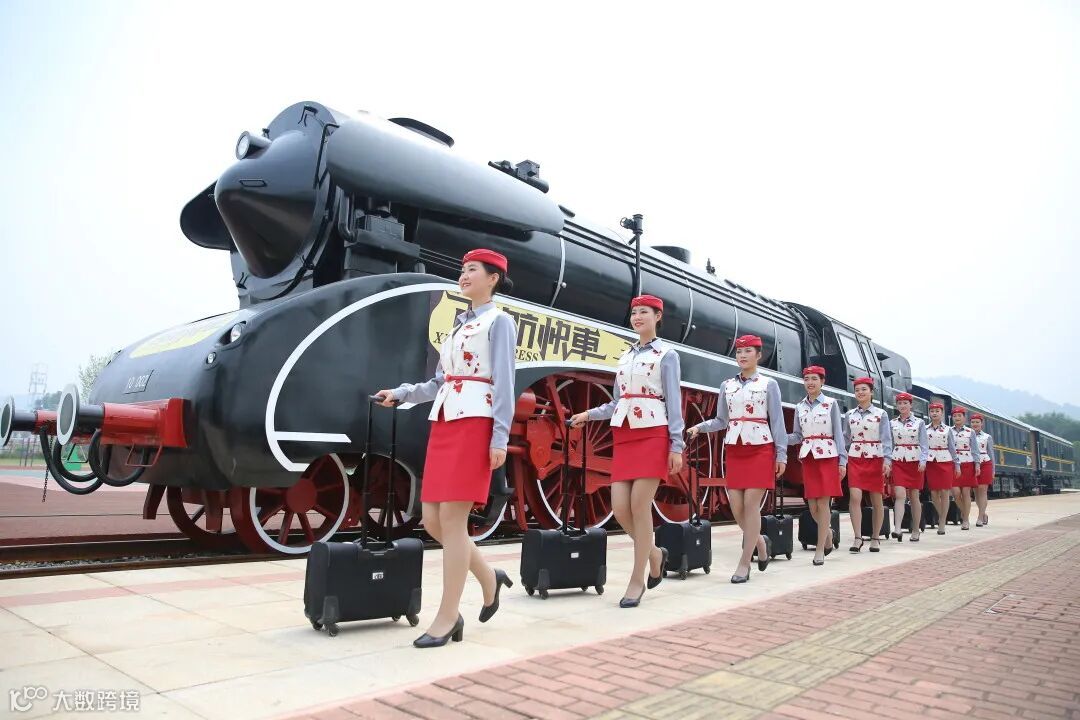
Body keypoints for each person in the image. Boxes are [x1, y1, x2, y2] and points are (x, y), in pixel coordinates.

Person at [375, 249, 516, 648]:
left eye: (472, 269)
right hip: (445, 420)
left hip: (475, 422)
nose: (464, 275)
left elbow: (505, 383)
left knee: (453, 521)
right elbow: (440, 381)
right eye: (463, 269)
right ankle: (489, 578)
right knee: (433, 520)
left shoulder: (499, 322)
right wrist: (402, 393)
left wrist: (500, 437)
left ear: (493, 278)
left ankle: (448, 615)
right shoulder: (458, 325)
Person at [570, 295, 684, 608]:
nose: (637, 317)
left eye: (644, 312)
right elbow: (617, 402)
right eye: (634, 312)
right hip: (625, 433)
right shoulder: (625, 356)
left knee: (639, 505)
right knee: (620, 509)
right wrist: (588, 414)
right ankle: (655, 554)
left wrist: (676, 445)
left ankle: (637, 580)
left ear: (657, 317)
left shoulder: (667, 355)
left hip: (653, 433)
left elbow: (674, 403)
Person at [688, 335, 787, 583]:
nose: (742, 355)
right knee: (736, 508)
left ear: (758, 355)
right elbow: (721, 420)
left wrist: (782, 454)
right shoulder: (727, 385)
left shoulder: (769, 384)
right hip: (735, 449)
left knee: (751, 505)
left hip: (761, 448)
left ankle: (744, 563)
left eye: (748, 351)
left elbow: (777, 422)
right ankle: (761, 542)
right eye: (739, 352)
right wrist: (700, 427)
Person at [788, 366, 847, 565]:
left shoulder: (831, 404)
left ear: (822, 381)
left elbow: (838, 434)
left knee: (823, 504)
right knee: (812, 507)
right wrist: (779, 438)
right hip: (809, 458)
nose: (810, 382)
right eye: (806, 379)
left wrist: (842, 461)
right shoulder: (799, 407)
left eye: (814, 378)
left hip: (828, 457)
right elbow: (797, 435)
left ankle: (820, 549)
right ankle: (828, 533)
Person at [844, 377, 893, 552]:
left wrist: (887, 460)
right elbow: (846, 438)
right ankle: (858, 537)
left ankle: (875, 537)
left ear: (871, 392)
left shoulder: (881, 414)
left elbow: (886, 439)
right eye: (857, 390)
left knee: (876, 498)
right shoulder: (849, 415)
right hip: (855, 458)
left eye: (864, 389)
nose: (860, 393)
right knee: (855, 497)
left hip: (875, 458)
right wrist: (842, 457)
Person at [889, 392, 928, 541]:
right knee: (899, 494)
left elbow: (924, 444)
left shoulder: (919, 422)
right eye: (899, 403)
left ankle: (916, 529)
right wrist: (888, 461)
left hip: (915, 461)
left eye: (905, 403)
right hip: (898, 460)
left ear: (911, 405)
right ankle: (898, 529)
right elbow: (890, 443)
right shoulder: (892, 423)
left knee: (914, 496)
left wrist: (923, 461)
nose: (902, 406)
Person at [925, 402, 959, 535]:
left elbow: (952, 448)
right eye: (932, 411)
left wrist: (957, 464)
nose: (934, 413)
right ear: (929, 413)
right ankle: (942, 516)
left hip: (945, 461)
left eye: (937, 411)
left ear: (942, 413)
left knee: (945, 492)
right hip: (931, 462)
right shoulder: (925, 428)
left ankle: (942, 522)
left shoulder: (948, 429)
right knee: (934, 493)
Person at [949, 407, 981, 531]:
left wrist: (977, 464)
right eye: (955, 416)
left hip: (968, 463)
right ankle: (964, 512)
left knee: (966, 492)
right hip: (953, 463)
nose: (957, 418)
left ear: (964, 418)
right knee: (956, 492)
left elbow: (975, 450)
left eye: (959, 416)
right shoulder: (948, 430)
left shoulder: (970, 432)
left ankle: (965, 520)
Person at [971, 413, 995, 526]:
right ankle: (983, 513)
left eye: (977, 422)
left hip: (985, 463)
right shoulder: (967, 435)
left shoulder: (987, 437)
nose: (975, 424)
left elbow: (991, 454)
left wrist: (993, 470)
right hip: (972, 464)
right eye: (973, 422)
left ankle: (980, 517)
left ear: (982, 424)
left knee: (982, 490)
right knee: (976, 492)